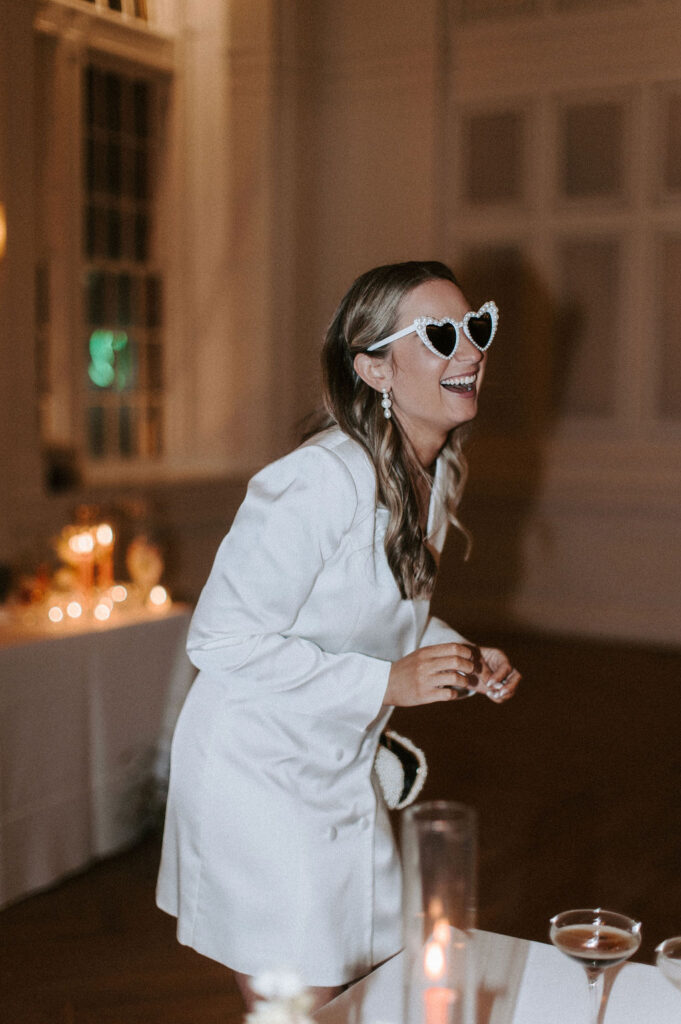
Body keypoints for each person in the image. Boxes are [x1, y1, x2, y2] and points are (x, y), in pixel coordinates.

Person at [156, 260, 521, 1011]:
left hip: (337, 767)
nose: (471, 351)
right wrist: (389, 683)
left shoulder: (434, 475)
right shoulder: (316, 482)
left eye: (475, 328)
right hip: (255, 774)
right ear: (374, 368)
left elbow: (383, 615)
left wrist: (456, 654)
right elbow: (220, 641)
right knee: (306, 999)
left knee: (365, 976)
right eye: (442, 335)